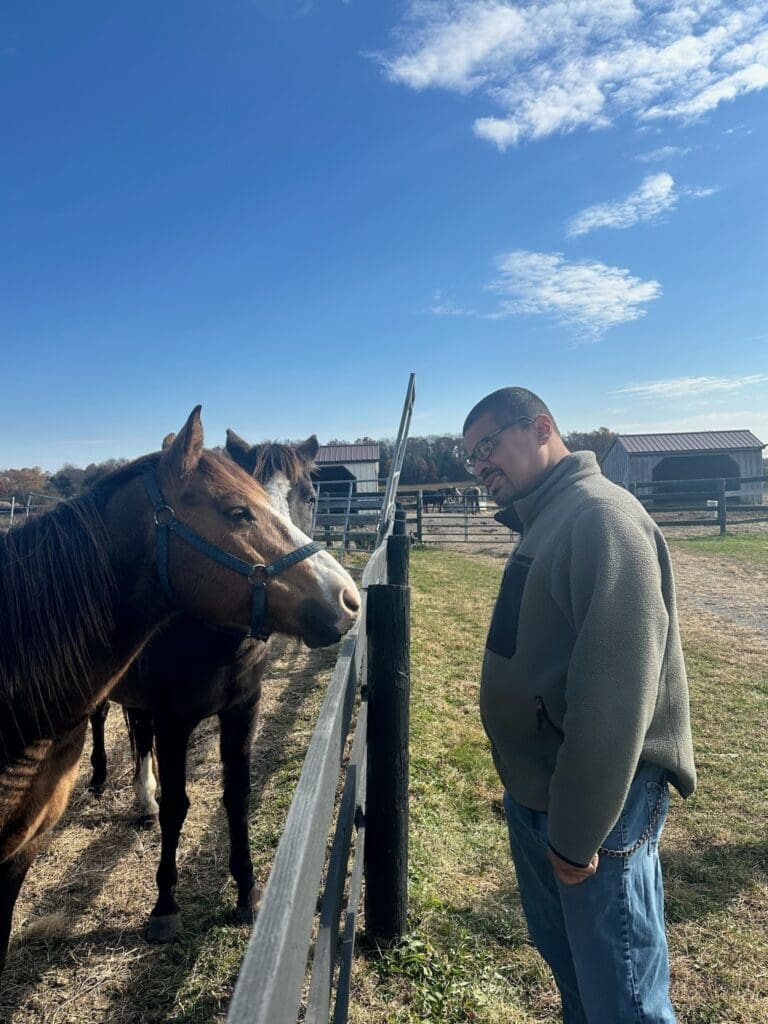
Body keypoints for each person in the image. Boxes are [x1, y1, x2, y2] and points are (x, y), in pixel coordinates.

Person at [462, 387, 696, 1024]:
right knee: (578, 975)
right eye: (470, 460)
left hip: (599, 807)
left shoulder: (600, 517)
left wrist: (574, 833)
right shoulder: (549, 516)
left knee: (623, 997)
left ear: (542, 428)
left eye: (488, 447)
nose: (481, 467)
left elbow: (614, 700)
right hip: (544, 794)